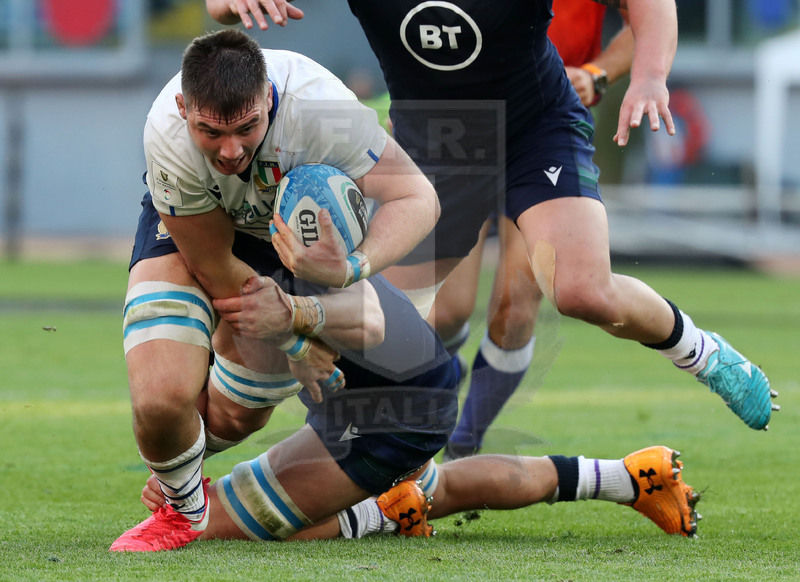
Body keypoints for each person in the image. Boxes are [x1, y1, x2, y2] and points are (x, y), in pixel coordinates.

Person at [207, 0, 779, 433]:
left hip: (536, 131)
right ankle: (385, 459)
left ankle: (704, 354)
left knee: (581, 291)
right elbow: (218, 8)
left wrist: (650, 75)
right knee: (375, 330)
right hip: (433, 155)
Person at [112, 27, 441, 549]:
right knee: (160, 399)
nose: (231, 149)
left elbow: (417, 198)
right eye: (210, 132)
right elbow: (214, 264)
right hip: (201, 228)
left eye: (247, 127)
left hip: (291, 246)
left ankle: (183, 473)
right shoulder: (166, 133)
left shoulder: (323, 108)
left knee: (235, 414)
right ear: (183, 108)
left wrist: (354, 267)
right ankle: (183, 512)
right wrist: (296, 339)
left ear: (268, 98)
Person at [118, 273, 700, 551]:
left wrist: (182, 479)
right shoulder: (329, 249)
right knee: (437, 486)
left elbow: (240, 410)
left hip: (388, 415)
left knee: (213, 518)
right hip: (402, 398)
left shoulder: (268, 284)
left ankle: (384, 512)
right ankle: (627, 477)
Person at [435, 1, 636, 460]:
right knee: (445, 312)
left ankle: (461, 449)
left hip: (543, 132)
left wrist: (597, 73)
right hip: (459, 128)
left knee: (516, 306)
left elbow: (647, 22)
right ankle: (431, 407)